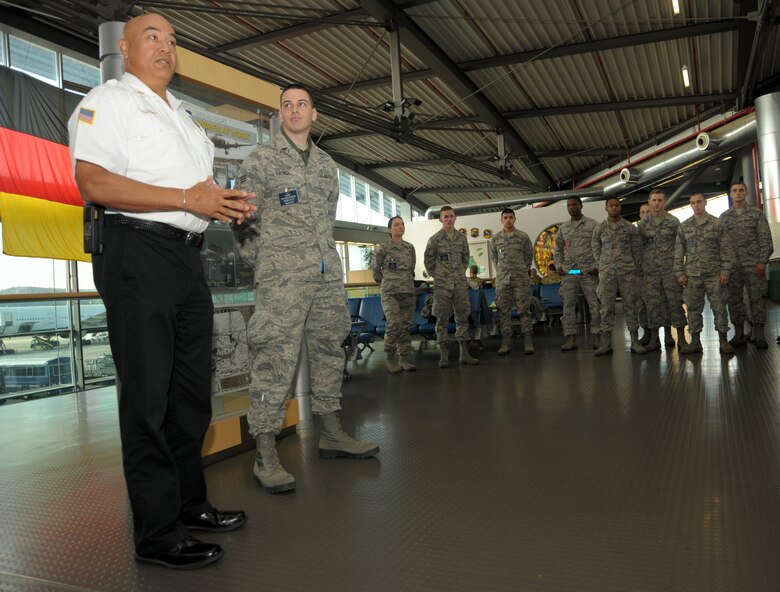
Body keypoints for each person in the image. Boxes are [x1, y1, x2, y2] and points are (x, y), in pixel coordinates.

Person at [68, 13, 250, 570]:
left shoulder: (186, 120)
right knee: (147, 398)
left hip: (186, 258)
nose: (166, 47)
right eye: (153, 37)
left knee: (190, 394)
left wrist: (225, 203)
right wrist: (188, 199)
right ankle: (155, 533)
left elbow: (195, 196)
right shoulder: (110, 101)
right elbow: (93, 182)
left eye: (173, 40)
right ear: (124, 48)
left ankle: (189, 505)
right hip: (135, 252)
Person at [233, 83, 378, 495]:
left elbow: (326, 220)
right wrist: (268, 264)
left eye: (302, 104)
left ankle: (331, 432)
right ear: (280, 114)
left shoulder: (326, 164)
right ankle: (264, 451)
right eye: (287, 105)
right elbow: (242, 223)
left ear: (314, 114)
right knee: (273, 359)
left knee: (331, 349)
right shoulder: (260, 160)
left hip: (326, 275)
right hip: (282, 278)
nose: (294, 110)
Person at [674, 193, 735, 354]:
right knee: (693, 308)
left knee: (720, 307)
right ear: (690, 205)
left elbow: (727, 249)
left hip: (715, 274)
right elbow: (678, 253)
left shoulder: (717, 224)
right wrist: (680, 273)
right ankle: (695, 341)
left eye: (699, 202)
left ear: (705, 203)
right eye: (693, 202)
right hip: (692, 276)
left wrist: (726, 271)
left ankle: (723, 341)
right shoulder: (684, 226)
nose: (696, 205)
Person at [423, 206, 480, 368]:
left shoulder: (462, 238)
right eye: (446, 217)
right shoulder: (434, 239)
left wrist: (459, 273)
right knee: (441, 319)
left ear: (455, 218)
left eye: (451, 216)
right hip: (442, 286)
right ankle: (444, 355)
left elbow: (465, 258)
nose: (449, 219)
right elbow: (428, 261)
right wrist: (439, 276)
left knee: (462, 317)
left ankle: (464, 353)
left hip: (460, 285)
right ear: (440, 219)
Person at [719, 181, 774, 349]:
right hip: (733, 268)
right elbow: (720, 244)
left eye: (741, 190)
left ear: (746, 193)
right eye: (734, 190)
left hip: (753, 266)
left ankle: (759, 334)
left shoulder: (757, 214)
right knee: (734, 301)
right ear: (730, 194)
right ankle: (738, 333)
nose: (737, 193)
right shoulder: (724, 217)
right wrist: (724, 267)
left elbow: (766, 240)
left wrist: (762, 261)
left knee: (757, 299)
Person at [591, 197, 645, 355]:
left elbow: (637, 249)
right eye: (611, 206)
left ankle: (634, 341)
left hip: (627, 272)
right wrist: (601, 264)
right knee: (606, 308)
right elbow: (595, 246)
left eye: (617, 205)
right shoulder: (600, 228)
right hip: (607, 273)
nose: (614, 208)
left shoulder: (629, 228)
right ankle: (606, 343)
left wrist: (634, 266)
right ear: (606, 208)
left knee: (631, 306)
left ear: (620, 208)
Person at [636, 189, 687, 350]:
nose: (657, 203)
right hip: (650, 273)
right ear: (649, 202)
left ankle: (681, 338)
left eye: (660, 200)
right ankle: (655, 339)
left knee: (675, 304)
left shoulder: (673, 222)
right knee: (652, 306)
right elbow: (638, 249)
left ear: (664, 201)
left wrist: (680, 270)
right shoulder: (642, 225)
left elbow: (680, 247)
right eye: (654, 200)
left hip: (670, 271)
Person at [553, 197, 601, 351]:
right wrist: (559, 265)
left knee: (595, 305)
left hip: (588, 272)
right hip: (571, 272)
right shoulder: (564, 228)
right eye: (568, 205)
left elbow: (602, 246)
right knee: (568, 306)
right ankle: (570, 339)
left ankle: (597, 338)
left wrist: (597, 265)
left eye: (574, 204)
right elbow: (557, 249)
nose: (571, 207)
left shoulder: (593, 225)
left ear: (581, 205)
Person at [372, 216, 417, 373]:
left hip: (408, 291)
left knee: (405, 326)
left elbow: (412, 269)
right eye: (397, 225)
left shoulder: (410, 248)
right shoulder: (382, 249)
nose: (401, 227)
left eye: (402, 224)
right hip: (390, 292)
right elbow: (376, 271)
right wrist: (385, 284)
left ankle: (404, 358)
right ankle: (391, 357)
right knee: (393, 324)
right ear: (389, 229)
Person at [489, 208, 535, 355]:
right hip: (503, 280)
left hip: (520, 278)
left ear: (515, 219)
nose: (508, 220)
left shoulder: (522, 236)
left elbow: (529, 255)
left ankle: (528, 341)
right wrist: (501, 271)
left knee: (524, 310)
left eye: (511, 217)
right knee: (504, 311)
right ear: (501, 220)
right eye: (505, 218)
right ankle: (505, 343)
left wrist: (522, 269)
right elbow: (494, 258)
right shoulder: (495, 239)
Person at [636, 203, 652, 344]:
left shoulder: (658, 230)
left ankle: (661, 336)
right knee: (641, 306)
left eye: (648, 212)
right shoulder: (634, 232)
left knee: (658, 306)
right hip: (640, 275)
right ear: (640, 215)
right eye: (643, 212)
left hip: (656, 273)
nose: (645, 214)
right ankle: (646, 333)